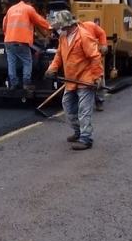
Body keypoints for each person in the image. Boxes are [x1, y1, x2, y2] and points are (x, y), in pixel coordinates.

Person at [44, 10, 103, 150]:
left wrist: (96, 77)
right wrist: (51, 69)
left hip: (85, 78)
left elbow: (95, 57)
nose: (56, 30)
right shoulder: (63, 37)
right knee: (68, 106)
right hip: (71, 79)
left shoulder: (83, 36)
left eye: (58, 27)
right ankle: (78, 131)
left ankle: (86, 138)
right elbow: (59, 55)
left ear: (66, 25)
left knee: (84, 109)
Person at [2, 0, 51, 94]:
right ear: (30, 2)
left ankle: (13, 84)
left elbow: (4, 24)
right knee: (27, 61)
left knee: (11, 62)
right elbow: (39, 20)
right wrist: (51, 27)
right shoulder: (28, 9)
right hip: (21, 41)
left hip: (8, 40)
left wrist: (8, 35)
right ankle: (26, 84)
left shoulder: (11, 9)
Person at [80, 19, 108, 111]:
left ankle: (99, 101)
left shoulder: (90, 25)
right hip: (82, 57)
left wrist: (103, 45)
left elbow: (102, 33)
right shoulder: (73, 34)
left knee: (99, 75)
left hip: (94, 54)